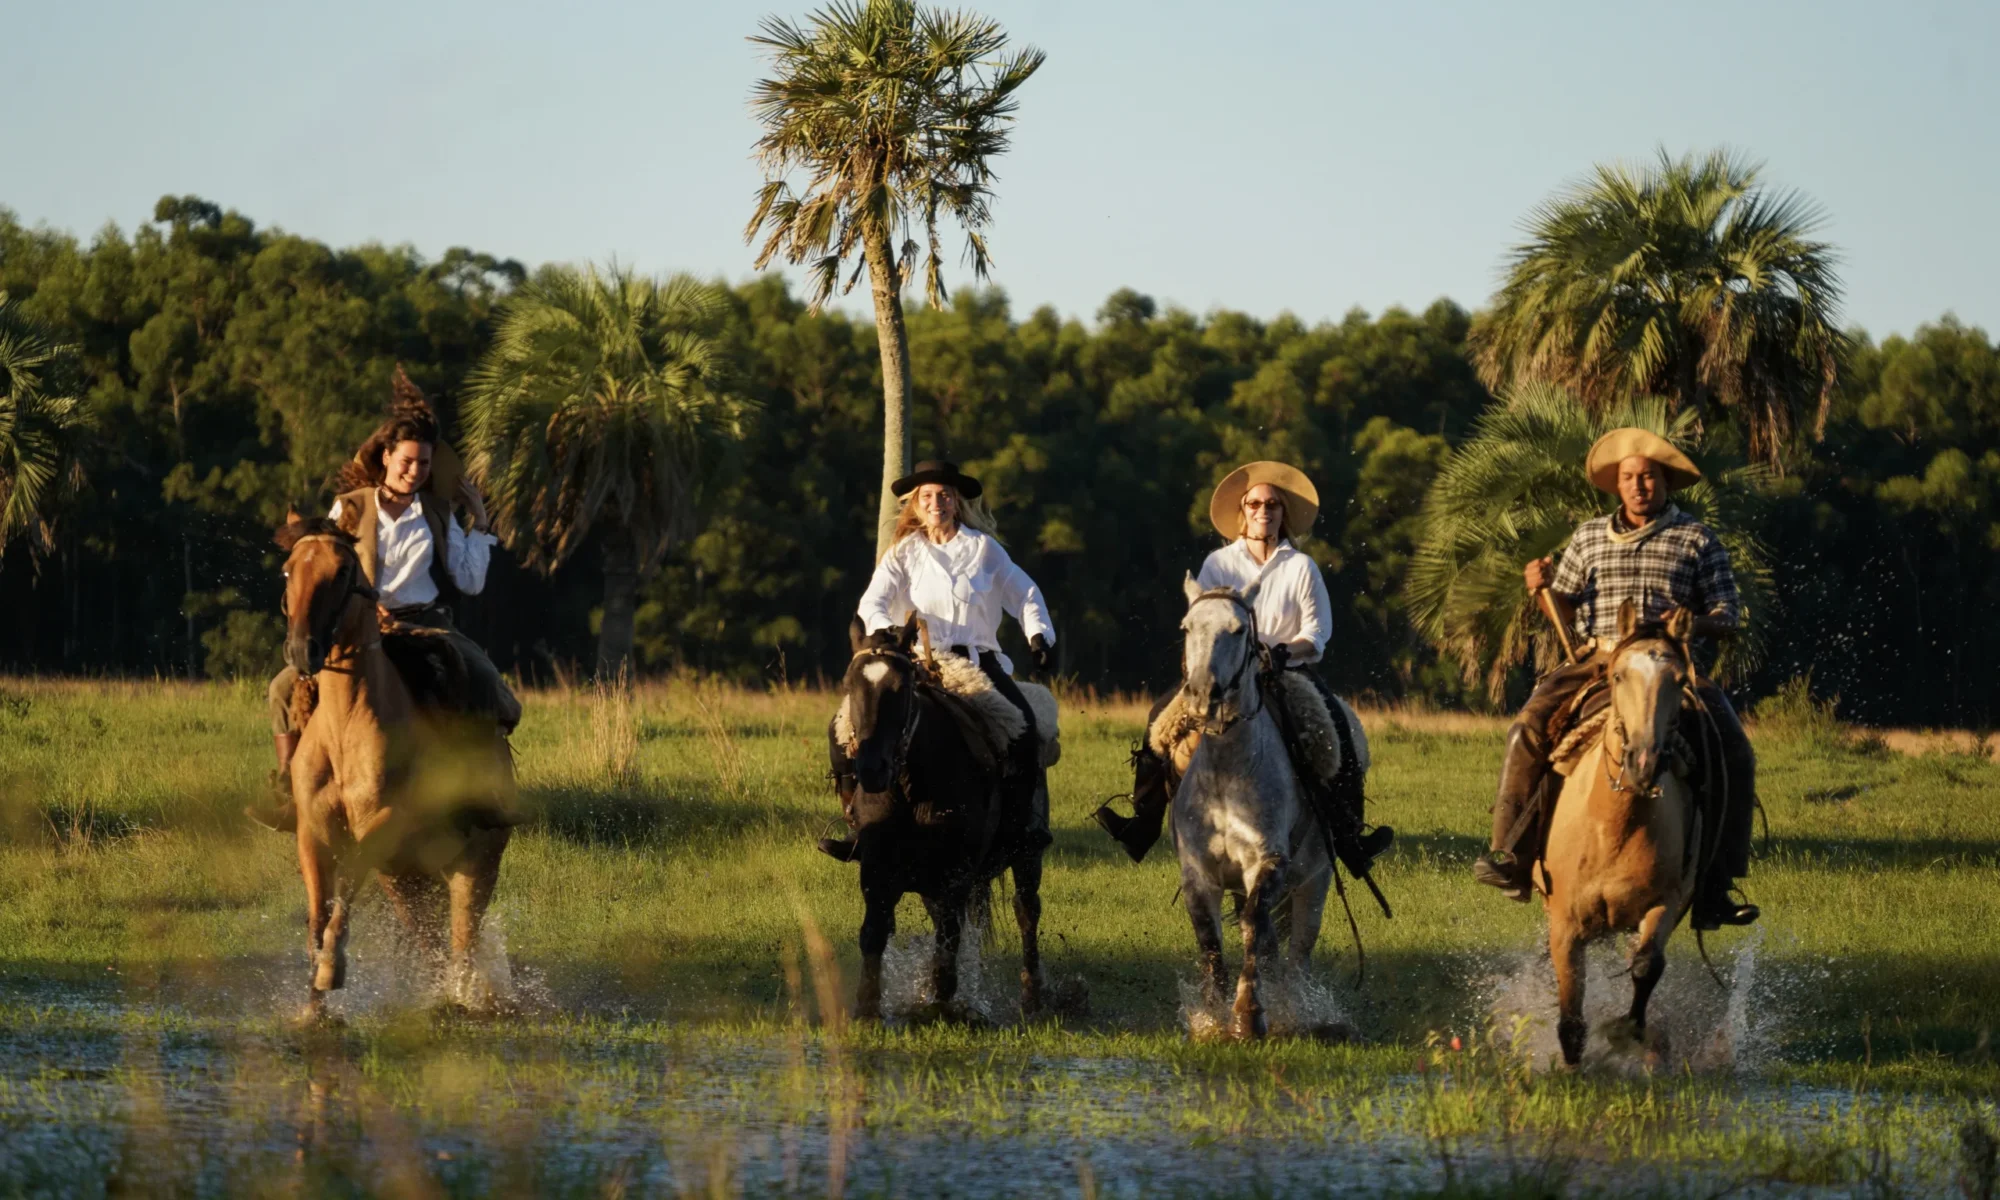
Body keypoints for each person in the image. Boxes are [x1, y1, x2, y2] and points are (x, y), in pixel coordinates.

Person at [1472, 427, 1760, 931]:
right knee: (1525, 731)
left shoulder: (1696, 538)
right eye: (1628, 477)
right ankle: (1512, 854)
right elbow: (1563, 606)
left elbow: (1728, 613)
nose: (1638, 486)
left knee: (1735, 749)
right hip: (1598, 659)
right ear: (1617, 485)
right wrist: (1541, 588)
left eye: (1647, 477)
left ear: (1665, 481)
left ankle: (1717, 883)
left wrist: (1694, 622)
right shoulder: (1588, 537)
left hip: (1669, 665)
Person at [248, 371, 521, 831]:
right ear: (386, 457)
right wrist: (362, 604)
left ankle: (476, 792)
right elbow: (331, 561)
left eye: (424, 464)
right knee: (281, 689)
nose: (415, 471)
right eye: (407, 461)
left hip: (424, 624)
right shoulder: (350, 506)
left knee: (481, 679)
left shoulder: (438, 512)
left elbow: (470, 581)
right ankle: (290, 792)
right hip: (358, 625)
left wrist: (481, 520)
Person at [1091, 461, 1394, 874]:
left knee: (1335, 728)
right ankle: (1142, 825)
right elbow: (1201, 621)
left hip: (1287, 671)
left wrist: (1283, 652)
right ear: (1243, 511)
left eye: (1272, 504)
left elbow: (1316, 631)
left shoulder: (1301, 567)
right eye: (1254, 504)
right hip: (1225, 674)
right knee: (1159, 721)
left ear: (1283, 513)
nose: (1263, 511)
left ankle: (1350, 839)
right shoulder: (1218, 563)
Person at [818, 460, 1056, 862]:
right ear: (916, 503)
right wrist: (884, 631)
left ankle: (1019, 830)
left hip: (976, 666)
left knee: (1024, 732)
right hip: (914, 663)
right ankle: (858, 827)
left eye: (944, 495)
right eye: (927, 495)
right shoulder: (903, 552)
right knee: (842, 731)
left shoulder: (984, 549)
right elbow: (873, 601)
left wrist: (1039, 635)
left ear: (956, 501)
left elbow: (1025, 594)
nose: (936, 502)